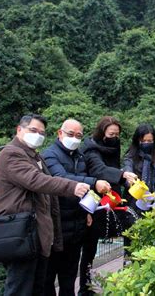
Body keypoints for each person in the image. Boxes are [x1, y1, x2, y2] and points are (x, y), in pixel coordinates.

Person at [0, 114, 90, 296]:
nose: (38, 135)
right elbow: (37, 180)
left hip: (37, 234)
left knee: (38, 287)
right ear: (19, 129)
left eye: (42, 133)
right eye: (33, 130)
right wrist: (72, 186)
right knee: (20, 287)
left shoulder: (34, 155)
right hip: (20, 234)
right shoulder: (11, 154)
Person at [41, 119, 111, 296]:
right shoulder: (49, 155)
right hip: (56, 226)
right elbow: (61, 177)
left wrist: (88, 210)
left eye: (78, 135)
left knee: (69, 276)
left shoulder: (80, 156)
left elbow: (84, 184)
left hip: (76, 225)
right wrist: (95, 182)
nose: (74, 138)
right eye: (70, 134)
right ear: (60, 133)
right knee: (48, 277)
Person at [79, 116, 137, 296]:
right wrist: (123, 175)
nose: (114, 137)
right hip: (92, 199)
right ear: (102, 132)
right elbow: (99, 169)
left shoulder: (113, 145)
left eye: (117, 134)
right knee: (90, 245)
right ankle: (85, 287)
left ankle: (129, 274)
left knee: (130, 228)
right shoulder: (90, 149)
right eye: (111, 134)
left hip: (111, 198)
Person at [123, 123, 155, 212]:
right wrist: (131, 179)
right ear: (137, 140)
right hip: (133, 199)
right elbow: (128, 170)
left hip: (152, 199)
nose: (146, 143)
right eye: (143, 141)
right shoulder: (130, 156)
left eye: (149, 141)